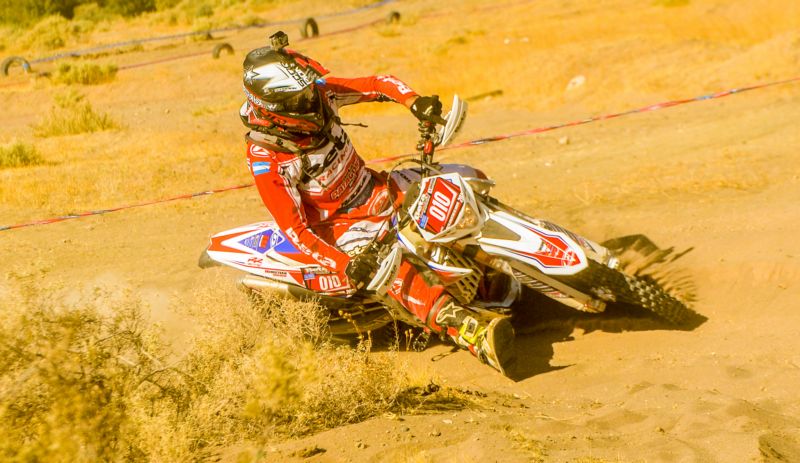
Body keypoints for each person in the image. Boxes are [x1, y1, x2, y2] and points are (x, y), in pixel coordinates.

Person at [239, 31, 515, 374]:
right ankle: (470, 332)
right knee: (392, 268)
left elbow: (377, 83)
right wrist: (344, 264)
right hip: (342, 227)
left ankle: (501, 266)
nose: (310, 97)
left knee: (465, 179)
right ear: (276, 108)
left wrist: (414, 102)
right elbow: (296, 230)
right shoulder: (267, 158)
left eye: (308, 89)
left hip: (376, 187)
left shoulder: (322, 95)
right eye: (299, 97)